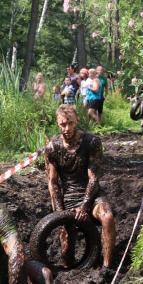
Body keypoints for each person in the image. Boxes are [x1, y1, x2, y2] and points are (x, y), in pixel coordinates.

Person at [44, 104, 116, 273]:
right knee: (67, 247)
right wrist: (60, 213)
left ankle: (107, 267)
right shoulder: (52, 148)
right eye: (62, 124)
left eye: (70, 123)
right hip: (68, 195)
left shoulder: (92, 142)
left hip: (92, 192)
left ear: (76, 121)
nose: (66, 128)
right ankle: (71, 271)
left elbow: (94, 178)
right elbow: (53, 183)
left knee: (107, 217)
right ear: (57, 123)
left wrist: (84, 206)